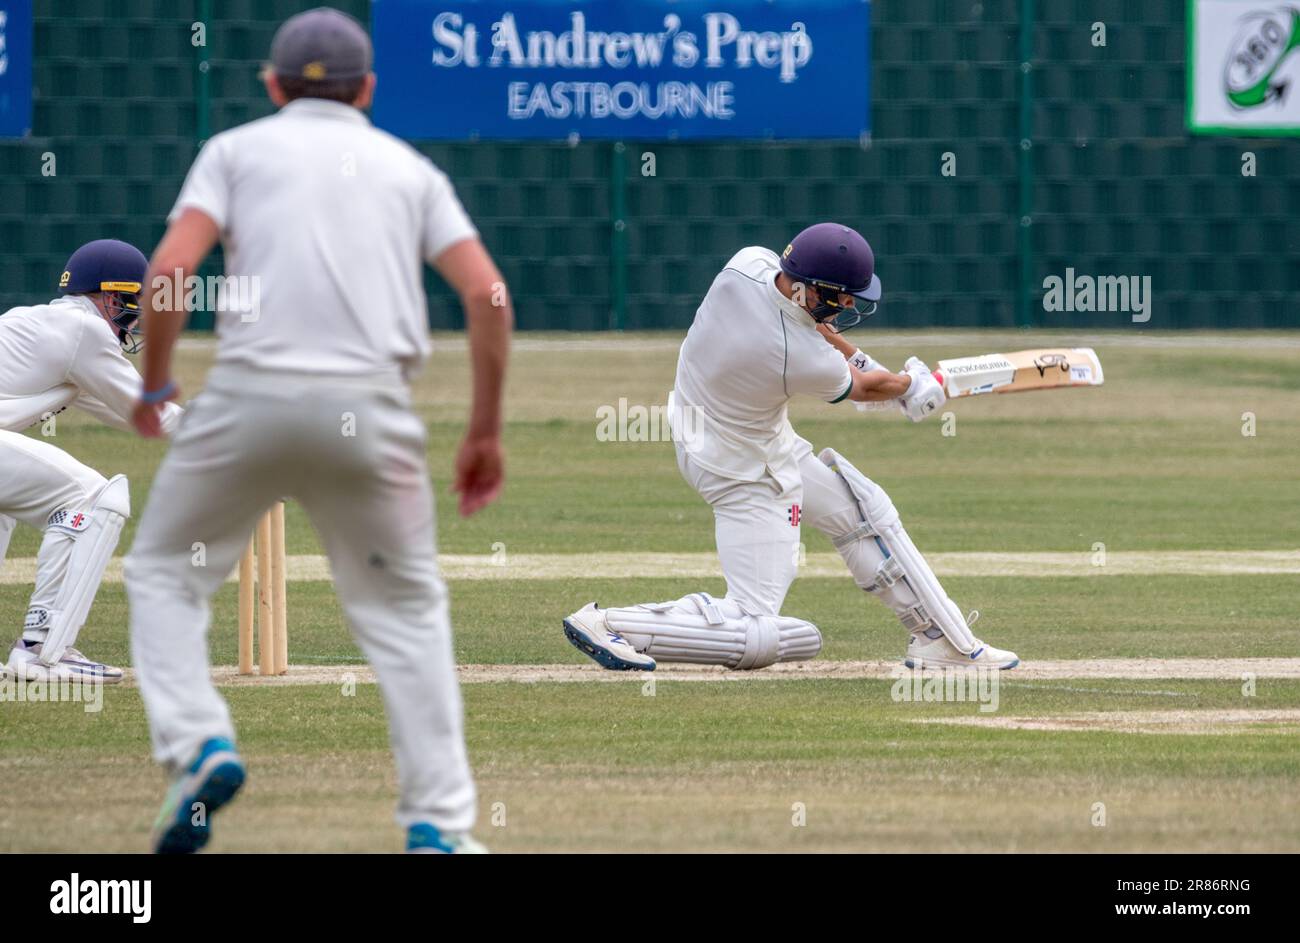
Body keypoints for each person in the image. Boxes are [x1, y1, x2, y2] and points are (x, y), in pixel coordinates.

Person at [125, 7, 511, 854]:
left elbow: (166, 273)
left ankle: (198, 744)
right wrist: (483, 431)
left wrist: (154, 383)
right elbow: (488, 297)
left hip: (243, 403)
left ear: (270, 85)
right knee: (406, 615)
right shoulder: (407, 168)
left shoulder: (235, 150)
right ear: (368, 89)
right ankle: (437, 828)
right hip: (370, 411)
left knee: (161, 572)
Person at [563, 222, 1018, 673]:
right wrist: (918, 385)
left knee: (863, 512)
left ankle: (943, 641)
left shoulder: (747, 264)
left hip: (720, 430)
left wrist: (885, 374)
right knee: (757, 623)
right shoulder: (791, 354)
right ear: (805, 291)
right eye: (838, 297)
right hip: (746, 470)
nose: (846, 305)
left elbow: (823, 339)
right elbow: (859, 388)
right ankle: (612, 623)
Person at [0, 239, 183, 684]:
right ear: (108, 296)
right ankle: (42, 649)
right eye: (131, 302)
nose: (136, 316)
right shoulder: (84, 332)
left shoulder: (50, 327)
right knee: (92, 496)